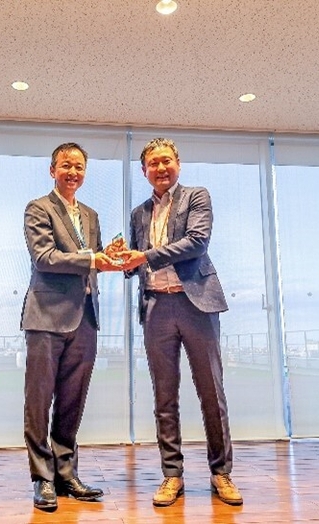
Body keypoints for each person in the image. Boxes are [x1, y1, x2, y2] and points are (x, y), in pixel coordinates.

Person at [118, 138, 243, 507]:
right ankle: (172, 475)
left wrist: (144, 256)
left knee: (211, 392)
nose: (160, 168)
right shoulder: (139, 213)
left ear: (178, 164)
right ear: (144, 171)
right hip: (156, 306)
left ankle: (221, 473)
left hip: (196, 304)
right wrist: (122, 260)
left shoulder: (196, 197)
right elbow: (136, 262)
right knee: (164, 395)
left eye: (166, 161)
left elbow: (197, 242)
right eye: (153, 163)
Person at [21, 142, 120, 512]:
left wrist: (110, 257)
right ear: (53, 170)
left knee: (72, 401)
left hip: (85, 318)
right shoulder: (38, 208)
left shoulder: (91, 215)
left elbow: (93, 262)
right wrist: (94, 258)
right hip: (46, 316)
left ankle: (66, 474)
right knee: (39, 401)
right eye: (66, 165)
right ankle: (42, 478)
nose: (73, 172)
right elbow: (44, 258)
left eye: (79, 167)